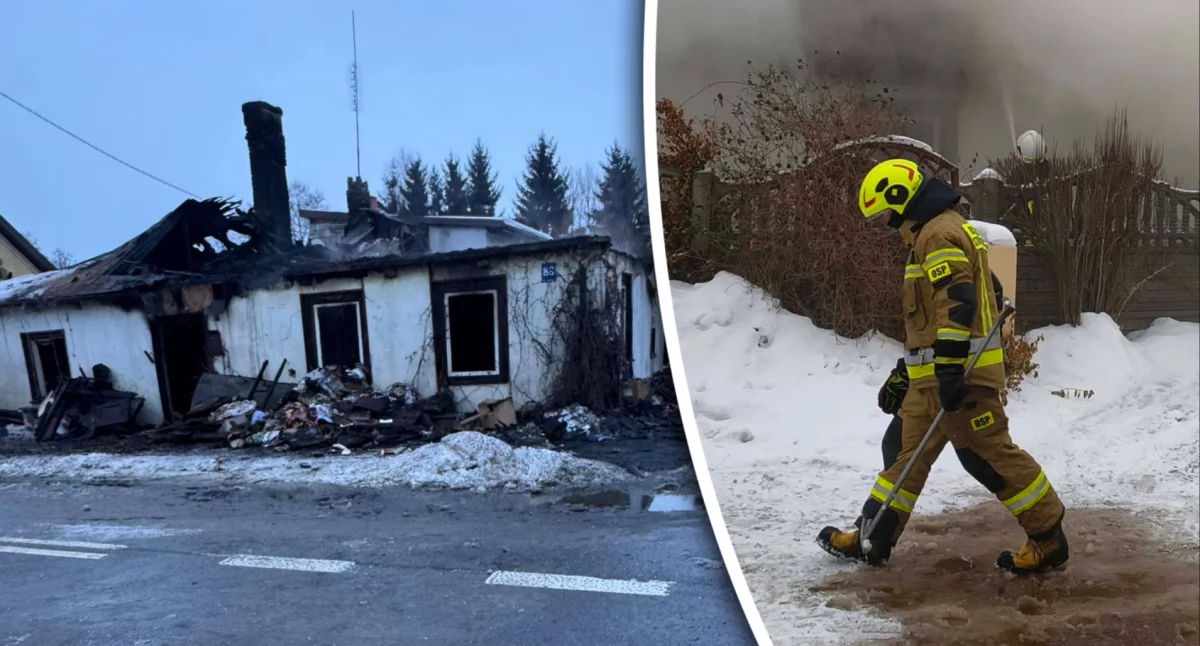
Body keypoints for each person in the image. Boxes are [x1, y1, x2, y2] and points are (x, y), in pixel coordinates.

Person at [817, 159, 1068, 576]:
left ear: (900, 199)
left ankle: (1048, 539)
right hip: (932, 381)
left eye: (887, 213)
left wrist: (949, 369)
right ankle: (871, 536)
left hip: (961, 379)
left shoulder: (937, 234)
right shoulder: (941, 231)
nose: (888, 224)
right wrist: (910, 368)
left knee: (988, 457)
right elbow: (972, 297)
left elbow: (957, 302)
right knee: (900, 450)